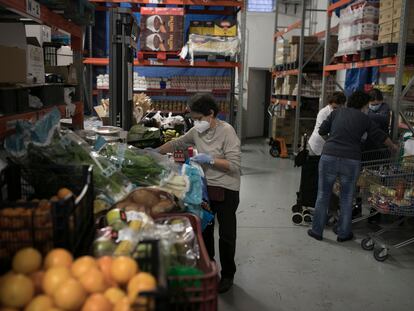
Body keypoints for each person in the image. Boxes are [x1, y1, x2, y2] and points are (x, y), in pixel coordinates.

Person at [157, 93, 241, 293]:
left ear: (211, 114)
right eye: (193, 118)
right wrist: (153, 152)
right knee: (205, 230)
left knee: (227, 235)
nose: (196, 122)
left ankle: (228, 274)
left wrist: (209, 160)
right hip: (205, 189)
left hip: (227, 189)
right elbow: (177, 143)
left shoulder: (227, 131)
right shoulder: (196, 131)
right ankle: (210, 267)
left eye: (199, 118)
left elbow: (235, 165)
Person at [307, 91, 398, 242]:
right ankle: (343, 233)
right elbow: (380, 136)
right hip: (351, 160)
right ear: (363, 105)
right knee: (347, 197)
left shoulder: (336, 113)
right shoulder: (365, 119)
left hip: (328, 156)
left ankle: (317, 231)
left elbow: (322, 131)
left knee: (323, 194)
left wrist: (331, 142)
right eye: (368, 105)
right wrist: (393, 147)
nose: (368, 108)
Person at [308, 91, 347, 156]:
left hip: (329, 148)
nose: (336, 110)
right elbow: (322, 133)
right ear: (329, 104)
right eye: (334, 108)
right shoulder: (323, 112)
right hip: (317, 146)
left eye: (339, 108)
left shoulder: (344, 113)